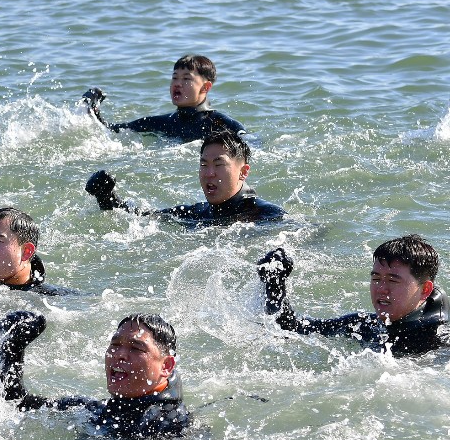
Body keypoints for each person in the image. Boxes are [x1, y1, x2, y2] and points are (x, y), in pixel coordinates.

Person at [0, 310, 191, 439]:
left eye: (136, 348)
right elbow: (17, 404)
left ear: (166, 366)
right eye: (115, 345)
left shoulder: (171, 429)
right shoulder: (97, 410)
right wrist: (12, 348)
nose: (120, 355)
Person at [257, 235, 450, 358]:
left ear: (425, 290)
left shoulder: (440, 338)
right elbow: (290, 329)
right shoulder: (365, 325)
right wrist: (274, 284)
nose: (381, 289)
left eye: (393, 281)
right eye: (376, 278)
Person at [85, 128, 284, 227]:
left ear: (243, 171)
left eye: (218, 164)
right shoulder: (198, 213)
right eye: (204, 165)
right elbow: (139, 216)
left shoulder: (267, 216)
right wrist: (106, 197)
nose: (209, 173)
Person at [82, 54, 245, 142]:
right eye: (175, 78)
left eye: (186, 79)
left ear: (206, 87)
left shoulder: (221, 124)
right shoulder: (160, 123)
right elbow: (109, 131)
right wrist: (92, 109)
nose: (178, 84)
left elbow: (250, 144)